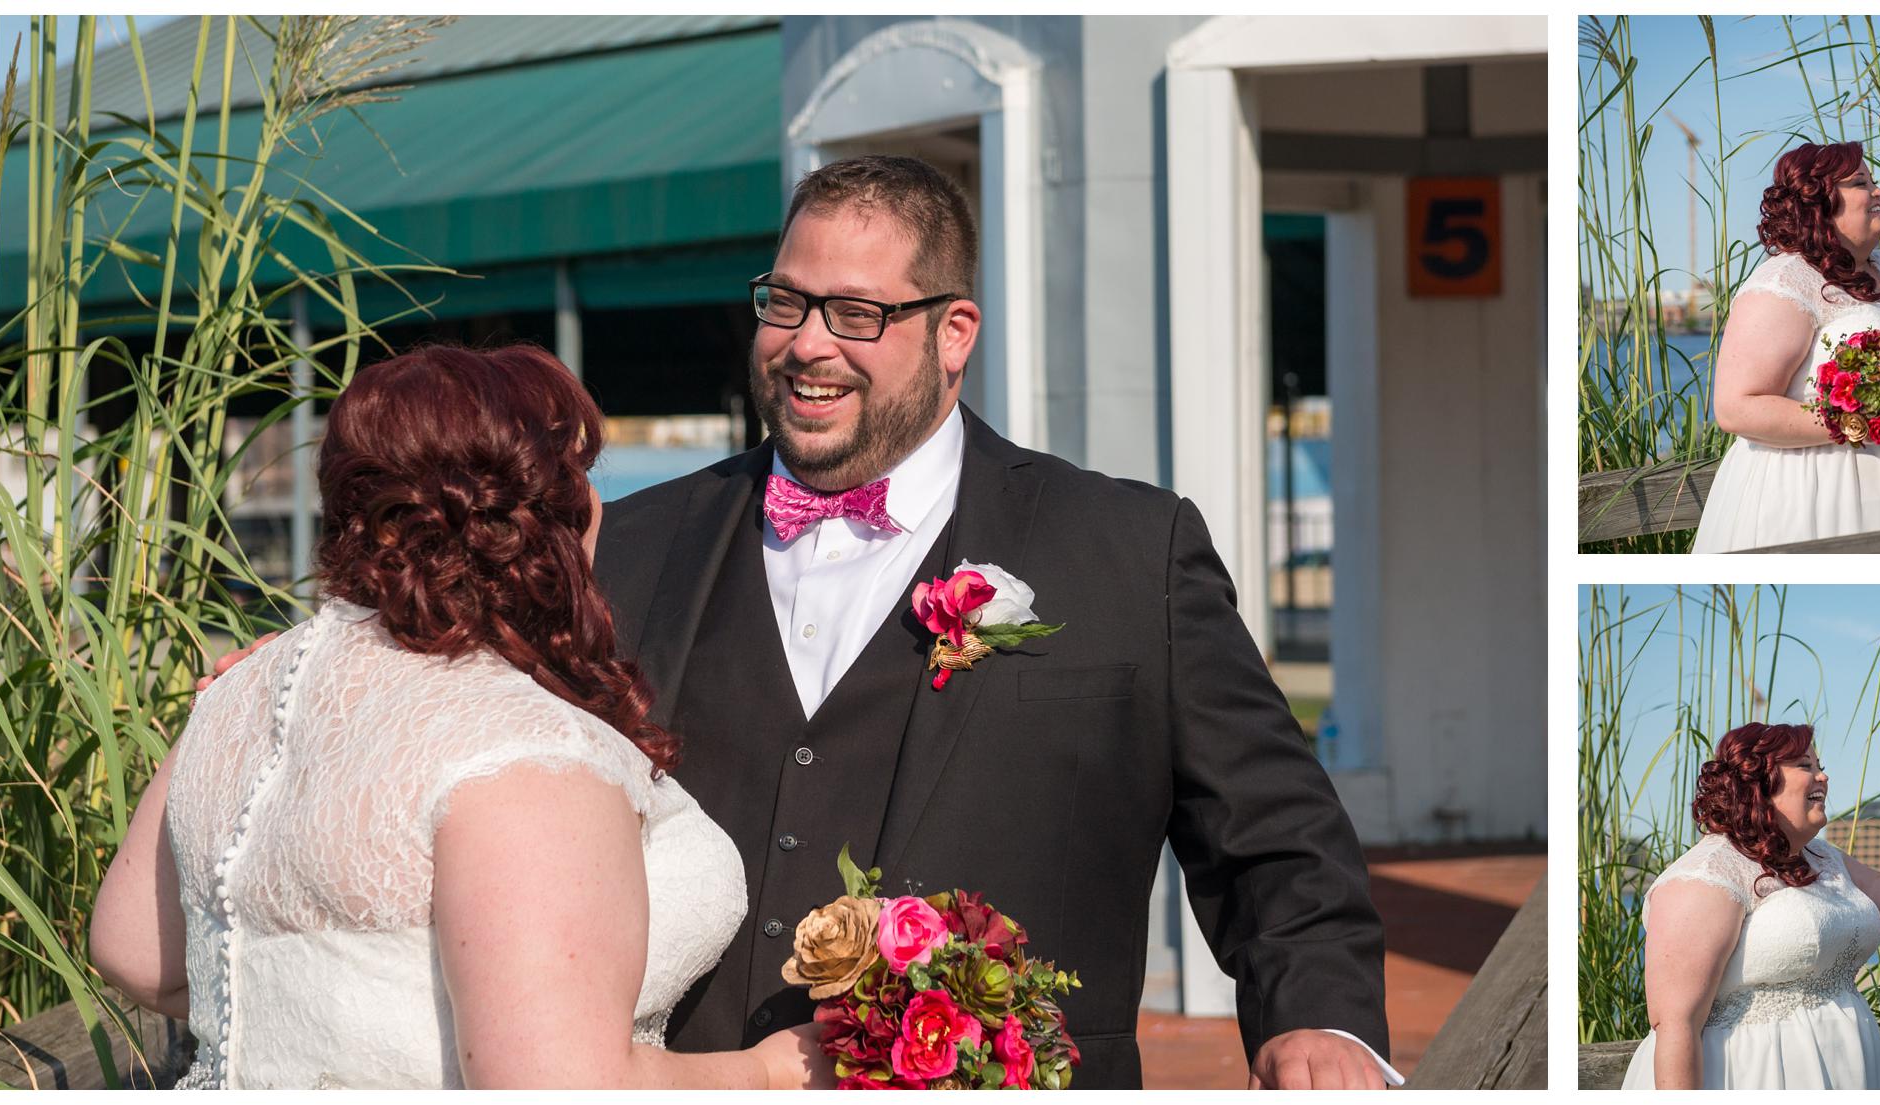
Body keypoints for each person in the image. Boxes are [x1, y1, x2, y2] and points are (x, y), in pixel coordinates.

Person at [592, 155, 1396, 1089]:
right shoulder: (630, 548)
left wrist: (1320, 1021)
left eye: (857, 313)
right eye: (785, 301)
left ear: (953, 333)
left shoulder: (1131, 551)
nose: (807, 343)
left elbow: (1276, 835)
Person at [91, 346, 828, 1089]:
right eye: (581, 474)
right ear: (543, 517)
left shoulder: (242, 687)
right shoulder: (523, 747)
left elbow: (132, 946)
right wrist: (770, 1073)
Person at [1623, 723, 1880, 1089]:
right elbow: (1675, 1026)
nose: (1823, 776)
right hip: (1754, 1077)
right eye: (1805, 765)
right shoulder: (1705, 876)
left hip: (1846, 1068)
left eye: (1820, 764)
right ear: (1758, 783)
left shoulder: (1822, 858)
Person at [1692, 141, 1880, 553]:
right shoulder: (1784, 283)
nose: (1878, 191)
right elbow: (1737, 406)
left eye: (1874, 181)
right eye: (1861, 182)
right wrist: (1859, 418)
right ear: (1819, 201)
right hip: (1820, 489)